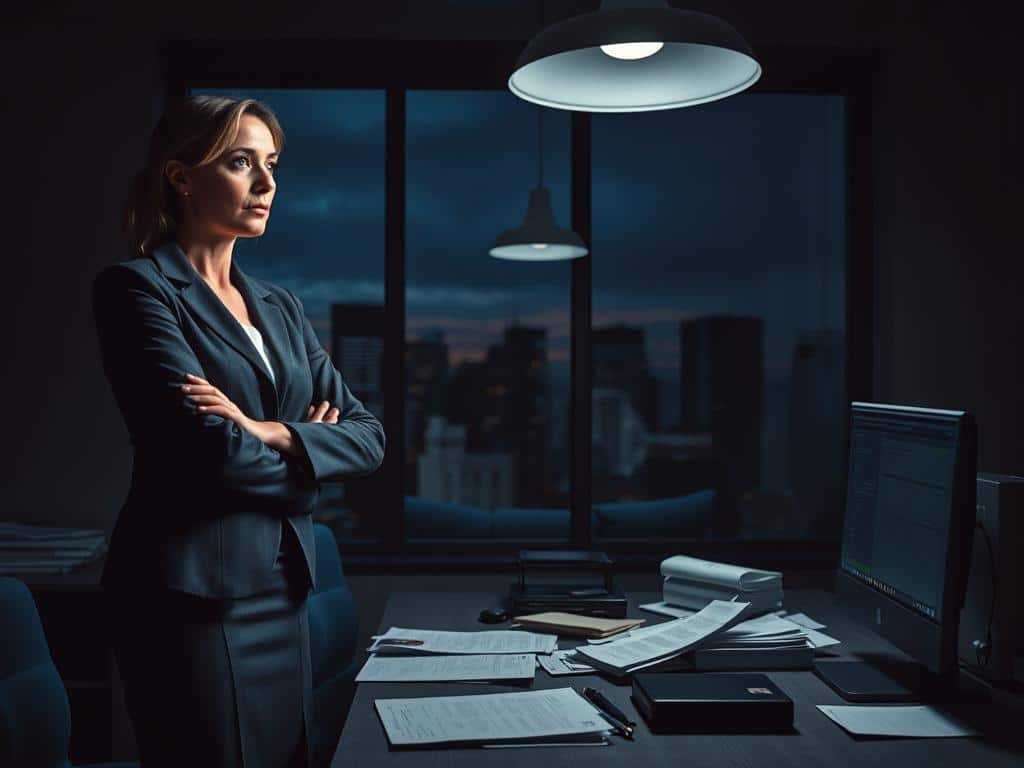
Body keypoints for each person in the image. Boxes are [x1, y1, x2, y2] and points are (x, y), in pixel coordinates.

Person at [92, 95, 385, 768]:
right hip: (191, 601)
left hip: (283, 591)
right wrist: (308, 456)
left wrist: (271, 432)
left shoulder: (280, 307)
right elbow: (211, 457)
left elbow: (369, 438)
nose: (267, 184)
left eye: (272, 164)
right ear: (182, 176)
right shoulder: (137, 291)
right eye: (240, 162)